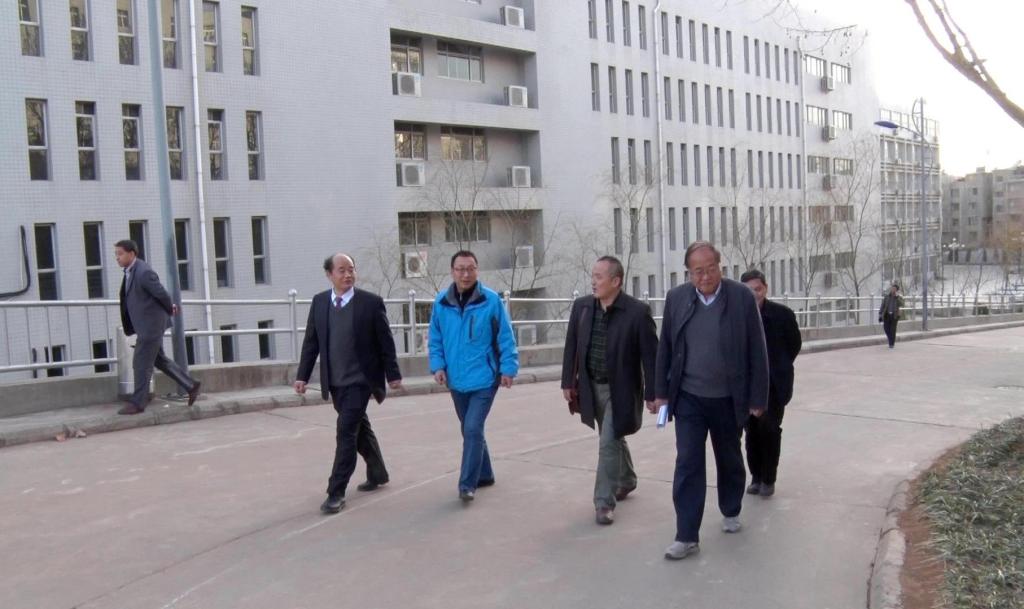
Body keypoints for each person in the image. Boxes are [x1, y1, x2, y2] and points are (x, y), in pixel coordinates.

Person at [653, 241, 769, 561]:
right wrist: (660, 393)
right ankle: (686, 535)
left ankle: (731, 509)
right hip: (688, 397)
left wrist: (758, 397)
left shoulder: (741, 297)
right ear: (688, 273)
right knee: (688, 462)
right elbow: (665, 347)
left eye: (711, 269)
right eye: (697, 271)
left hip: (728, 398)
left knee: (729, 457)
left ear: (720, 267)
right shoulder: (677, 298)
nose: (705, 277)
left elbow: (757, 349)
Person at [294, 253, 403, 514]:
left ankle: (336, 491)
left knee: (345, 432)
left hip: (360, 381)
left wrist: (393, 374)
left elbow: (385, 341)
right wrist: (302, 376)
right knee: (359, 428)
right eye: (341, 270)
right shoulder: (320, 302)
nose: (348, 275)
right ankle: (377, 472)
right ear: (329, 274)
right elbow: (311, 342)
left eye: (351, 269)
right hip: (335, 382)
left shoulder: (370, 303)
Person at [561, 256, 657, 525]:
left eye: (599, 277)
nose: (593, 282)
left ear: (616, 281)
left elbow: (651, 357)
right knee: (612, 436)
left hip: (622, 390)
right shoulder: (582, 307)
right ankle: (627, 479)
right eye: (593, 276)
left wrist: (653, 393)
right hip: (591, 387)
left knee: (607, 442)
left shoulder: (637, 312)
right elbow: (571, 345)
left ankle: (603, 502)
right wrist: (567, 381)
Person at [428, 250, 519, 503]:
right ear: (452, 271)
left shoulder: (490, 301)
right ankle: (485, 473)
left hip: (484, 379)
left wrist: (508, 369)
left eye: (470, 269)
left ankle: (467, 484)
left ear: (477, 270)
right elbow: (435, 338)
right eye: (460, 269)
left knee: (472, 427)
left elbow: (505, 337)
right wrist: (438, 366)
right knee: (470, 430)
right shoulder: (441, 302)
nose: (465, 274)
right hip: (456, 380)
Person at [114, 239, 200, 415]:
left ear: (132, 254)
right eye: (116, 254)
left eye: (120, 254)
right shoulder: (131, 271)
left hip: (151, 326)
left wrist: (170, 308)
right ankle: (191, 385)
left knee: (140, 363)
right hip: (146, 325)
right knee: (159, 360)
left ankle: (138, 403)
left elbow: (161, 293)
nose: (117, 258)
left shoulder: (143, 272)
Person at [740, 269, 802, 498]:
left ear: (765, 289)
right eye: (749, 291)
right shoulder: (737, 316)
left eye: (758, 289)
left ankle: (768, 478)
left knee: (770, 429)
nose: (755, 294)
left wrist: (779, 367)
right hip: (746, 385)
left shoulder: (782, 315)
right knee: (751, 431)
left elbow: (794, 345)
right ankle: (755, 477)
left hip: (774, 385)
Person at [879, 283, 903, 349]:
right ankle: (890, 340)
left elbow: (901, 304)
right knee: (886, 328)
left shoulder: (898, 297)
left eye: (894, 289)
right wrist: (880, 313)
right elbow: (882, 305)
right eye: (892, 288)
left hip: (894, 315)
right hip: (887, 315)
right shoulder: (887, 297)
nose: (893, 290)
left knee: (893, 330)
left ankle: (891, 343)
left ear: (897, 290)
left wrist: (897, 297)